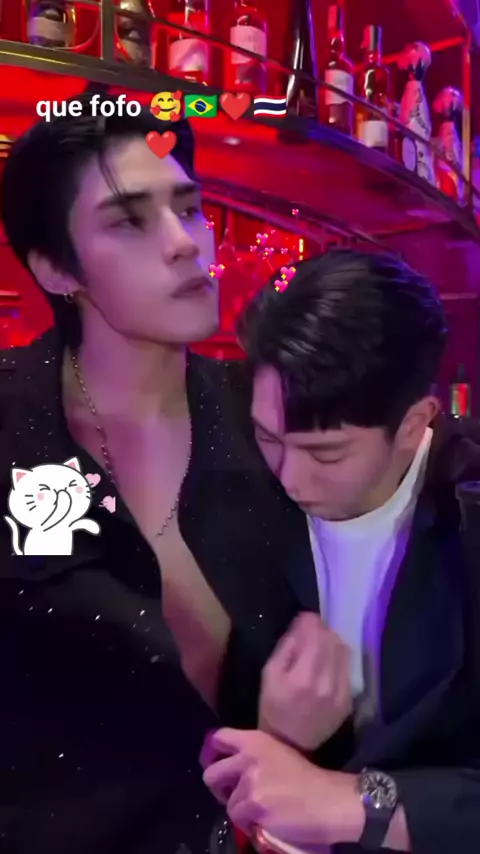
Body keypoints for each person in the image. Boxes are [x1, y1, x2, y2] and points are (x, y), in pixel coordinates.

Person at [0, 93, 314, 853]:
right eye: (128, 220)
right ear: (54, 267)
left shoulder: (273, 417)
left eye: (190, 208)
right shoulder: (11, 425)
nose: (185, 244)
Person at [202, 250, 480, 854]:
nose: (290, 478)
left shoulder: (468, 522)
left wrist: (358, 803)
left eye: (326, 453)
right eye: (269, 437)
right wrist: (276, 737)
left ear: (415, 423)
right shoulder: (234, 498)